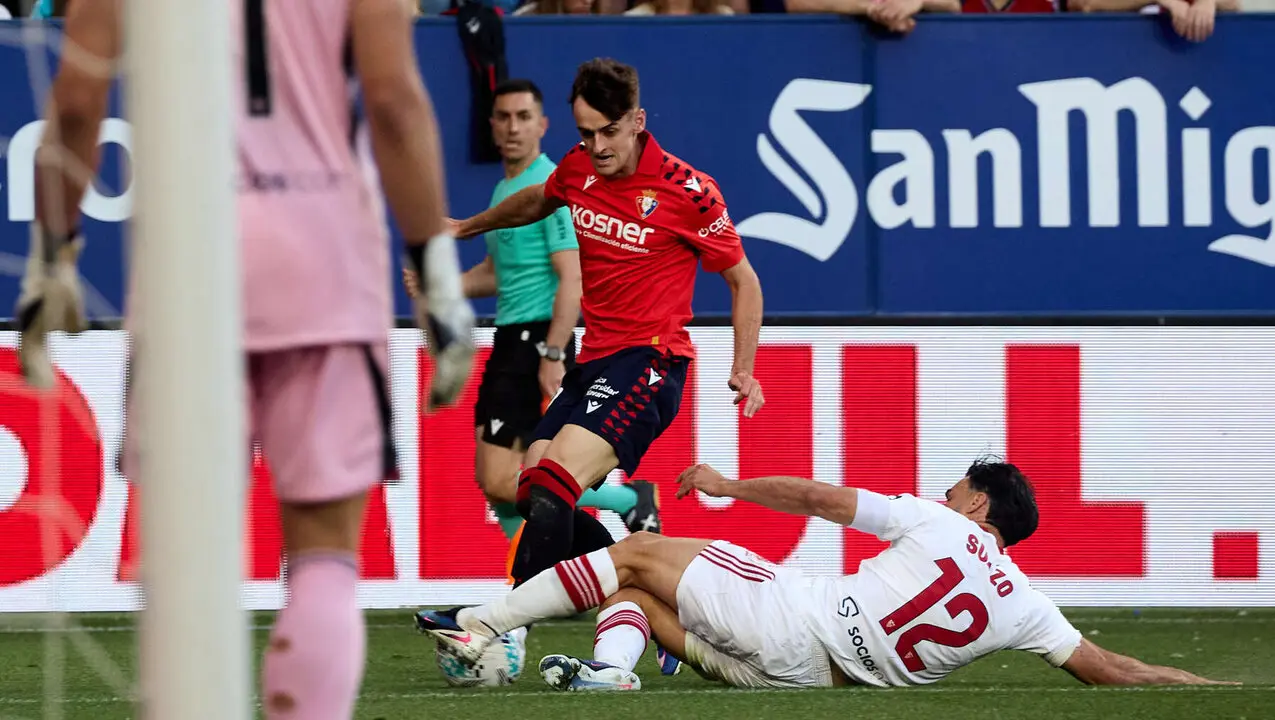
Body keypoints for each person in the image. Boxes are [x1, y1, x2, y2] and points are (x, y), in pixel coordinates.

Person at [15, 1, 474, 718]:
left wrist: (53, 252)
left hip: (183, 272)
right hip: (323, 267)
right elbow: (393, 99)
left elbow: (76, 100)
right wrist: (438, 277)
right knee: (324, 554)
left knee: (187, 562)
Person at [418, 459, 1238, 691]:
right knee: (634, 590)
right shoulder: (1027, 607)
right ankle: (608, 676)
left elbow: (818, 498)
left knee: (636, 551)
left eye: (960, 485)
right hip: (802, 683)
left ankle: (485, 623)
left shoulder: (941, 519)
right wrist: (1200, 685)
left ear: (979, 505)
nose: (945, 490)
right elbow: (1108, 671)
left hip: (792, 618)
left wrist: (732, 487)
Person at [421, 58, 764, 606]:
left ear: (637, 120)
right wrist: (466, 225)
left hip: (652, 362)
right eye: (586, 133)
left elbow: (744, 281)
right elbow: (540, 197)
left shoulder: (690, 191)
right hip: (596, 362)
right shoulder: (578, 168)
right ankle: (644, 603)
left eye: (609, 131)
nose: (598, 146)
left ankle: (503, 626)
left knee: (555, 480)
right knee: (534, 488)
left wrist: (743, 366)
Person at [402, 78, 662, 560]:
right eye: (503, 117)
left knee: (503, 476)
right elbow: (501, 274)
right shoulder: (507, 188)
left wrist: (553, 350)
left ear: (543, 126)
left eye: (523, 117)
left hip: (536, 338)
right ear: (492, 127)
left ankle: (624, 502)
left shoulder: (551, 185)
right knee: (497, 480)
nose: (512, 128)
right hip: (511, 337)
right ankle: (547, 577)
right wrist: (444, 285)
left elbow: (572, 274)